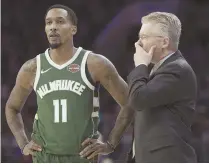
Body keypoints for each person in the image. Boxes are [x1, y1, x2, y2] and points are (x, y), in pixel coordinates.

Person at [5, 4, 131, 163]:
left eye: (60, 22)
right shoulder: (32, 68)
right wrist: (23, 143)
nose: (53, 27)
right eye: (48, 22)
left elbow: (129, 102)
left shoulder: (94, 63)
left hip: (82, 156)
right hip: (45, 157)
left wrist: (111, 143)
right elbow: (11, 108)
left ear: (73, 29)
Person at [80, 12, 198, 163]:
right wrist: (110, 143)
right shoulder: (156, 70)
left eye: (144, 37)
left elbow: (138, 100)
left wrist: (140, 65)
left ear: (164, 42)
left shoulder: (177, 69)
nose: (138, 43)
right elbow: (130, 106)